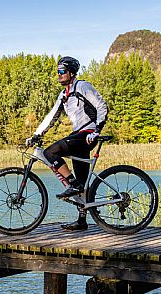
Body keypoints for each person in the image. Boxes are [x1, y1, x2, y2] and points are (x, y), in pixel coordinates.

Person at [26, 56, 108, 231]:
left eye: (62, 71)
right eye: (57, 72)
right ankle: (82, 221)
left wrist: (97, 131)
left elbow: (102, 107)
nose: (59, 74)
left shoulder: (83, 86)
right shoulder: (64, 95)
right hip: (78, 135)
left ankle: (72, 185)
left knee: (50, 152)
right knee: (82, 180)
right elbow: (51, 116)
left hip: (87, 135)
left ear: (71, 72)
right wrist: (36, 134)